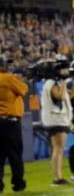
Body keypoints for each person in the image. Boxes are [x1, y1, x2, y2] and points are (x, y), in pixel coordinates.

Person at [40, 61, 73, 186]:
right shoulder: (51, 83)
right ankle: (57, 178)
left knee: (57, 148)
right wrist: (64, 80)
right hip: (56, 119)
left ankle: (57, 176)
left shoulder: (47, 83)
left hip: (53, 118)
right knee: (59, 148)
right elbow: (59, 96)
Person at [0, 56, 27, 192]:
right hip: (10, 122)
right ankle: (18, 183)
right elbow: (23, 89)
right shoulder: (8, 78)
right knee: (15, 154)